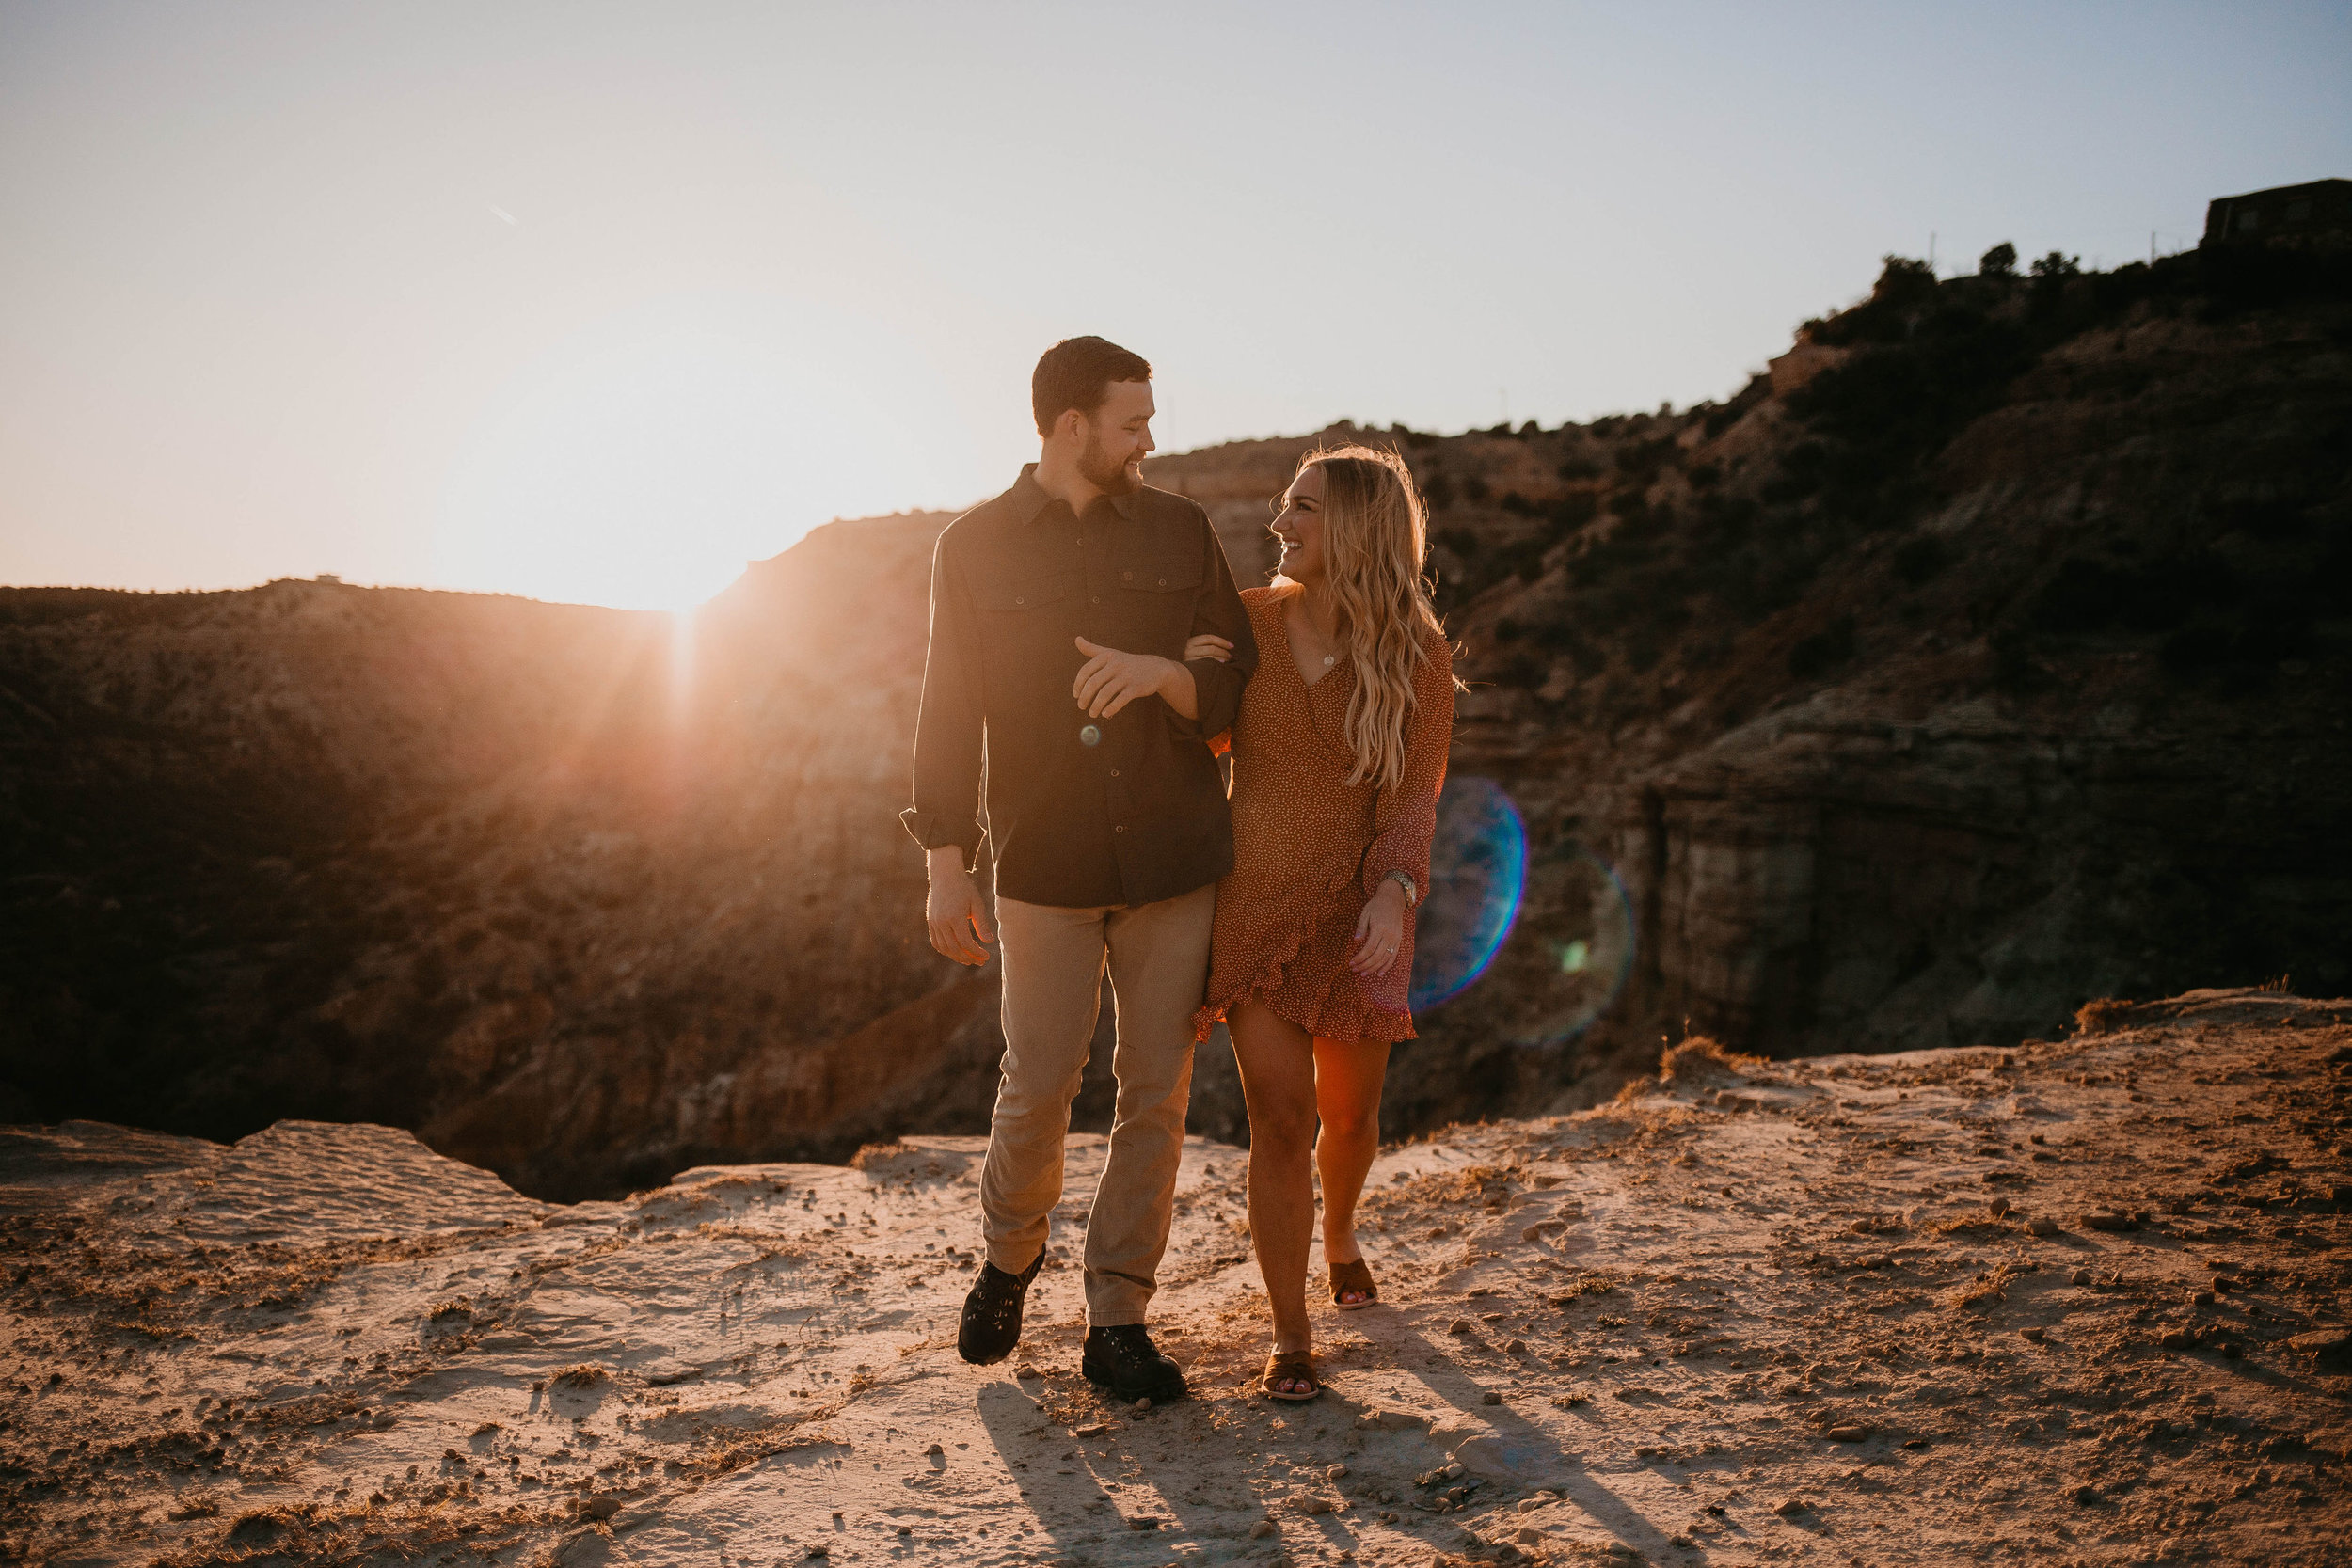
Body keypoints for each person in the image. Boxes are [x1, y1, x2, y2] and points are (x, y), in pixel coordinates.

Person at [902, 336, 1258, 1403]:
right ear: (1069, 427)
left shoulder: (1181, 527)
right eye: (1132, 421)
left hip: (1173, 858)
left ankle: (1118, 1317)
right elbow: (944, 709)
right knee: (1039, 1080)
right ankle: (1010, 1257)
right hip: (1042, 860)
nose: (1151, 439)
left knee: (1156, 1089)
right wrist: (942, 860)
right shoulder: (970, 548)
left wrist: (1161, 673)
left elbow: (1235, 676)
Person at [1182, 445, 1457, 1401]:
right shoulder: (1250, 625)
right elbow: (1196, 738)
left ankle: (1341, 1229)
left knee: (1350, 1114)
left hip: (1363, 917)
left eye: (1301, 508)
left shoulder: (1415, 651)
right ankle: (1290, 1331)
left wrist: (1394, 891)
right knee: (1281, 1121)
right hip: (1252, 911)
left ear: (1358, 528)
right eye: (1282, 505)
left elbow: (1413, 799)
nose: (1279, 523)